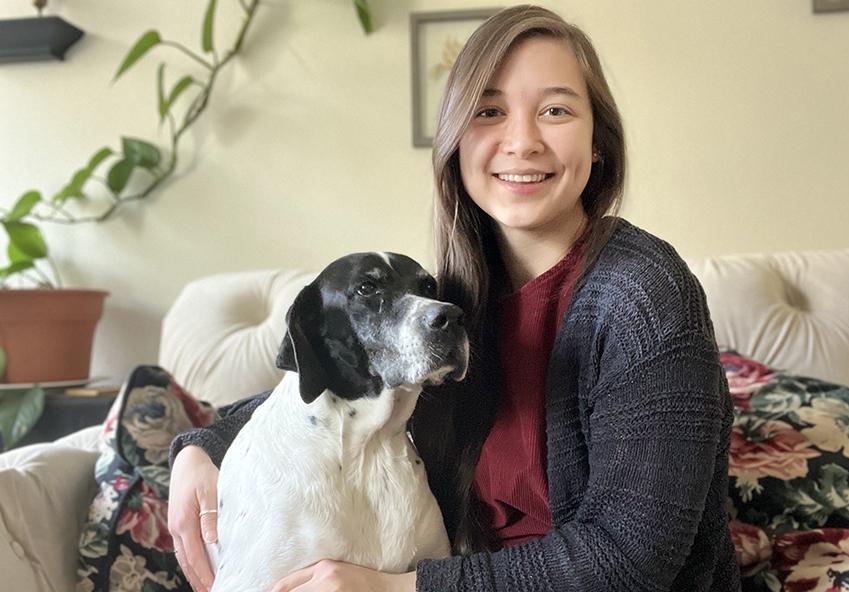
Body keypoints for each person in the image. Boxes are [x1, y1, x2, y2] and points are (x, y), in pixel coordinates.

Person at [167, 5, 741, 591]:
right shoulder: (458, 301)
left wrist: (395, 588)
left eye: (556, 110)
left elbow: (629, 559)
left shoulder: (646, 295)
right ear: (456, 144)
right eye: (490, 111)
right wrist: (200, 447)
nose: (522, 141)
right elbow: (328, 378)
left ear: (598, 144)